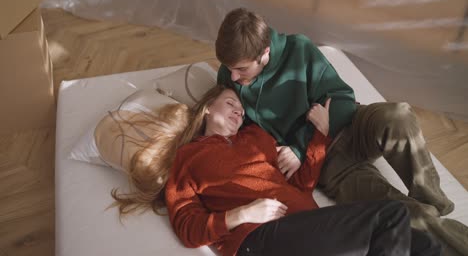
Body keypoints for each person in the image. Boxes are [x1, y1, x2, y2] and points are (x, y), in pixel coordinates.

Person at [162, 85, 441, 256]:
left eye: (242, 109)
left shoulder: (256, 136)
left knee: (424, 246)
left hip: (308, 227)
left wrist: (320, 135)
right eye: (230, 103)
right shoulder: (189, 156)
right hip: (258, 239)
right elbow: (188, 227)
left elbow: (301, 184)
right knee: (392, 215)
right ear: (207, 109)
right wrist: (242, 214)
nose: (239, 112)